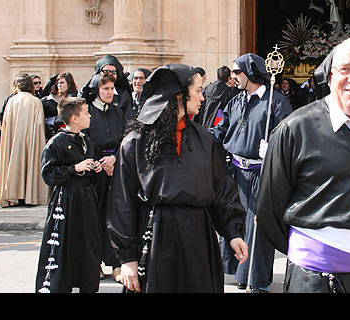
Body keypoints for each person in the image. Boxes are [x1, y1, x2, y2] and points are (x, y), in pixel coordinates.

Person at [257, 37, 350, 293]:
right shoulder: (294, 130)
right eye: (345, 69)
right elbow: (270, 210)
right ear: (330, 76)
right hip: (318, 280)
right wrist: (322, 253)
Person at [106, 64, 247, 293]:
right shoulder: (135, 142)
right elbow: (121, 203)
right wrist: (127, 258)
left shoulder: (204, 139)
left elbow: (222, 189)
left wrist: (233, 233)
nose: (203, 97)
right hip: (156, 237)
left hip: (199, 238)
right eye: (199, 90)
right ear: (180, 95)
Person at [209, 53, 293, 292]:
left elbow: (289, 134)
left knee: (257, 226)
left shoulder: (275, 102)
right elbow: (222, 130)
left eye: (237, 72)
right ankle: (240, 273)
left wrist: (273, 148)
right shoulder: (235, 101)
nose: (233, 76)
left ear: (252, 72)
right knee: (235, 223)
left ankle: (257, 280)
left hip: (261, 173)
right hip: (235, 172)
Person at [35, 97, 102, 293]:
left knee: (87, 242)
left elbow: (90, 160)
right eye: (86, 113)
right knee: (63, 243)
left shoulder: (84, 139)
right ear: (74, 118)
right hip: (66, 199)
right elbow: (48, 174)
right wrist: (74, 169)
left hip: (86, 198)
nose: (90, 116)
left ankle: (86, 284)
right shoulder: (57, 142)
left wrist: (94, 166)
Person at [80, 72, 126, 281]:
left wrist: (114, 159)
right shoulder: (87, 112)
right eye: (105, 89)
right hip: (94, 171)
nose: (109, 92)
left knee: (115, 216)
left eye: (111, 89)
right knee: (94, 217)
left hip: (115, 169)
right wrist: (101, 162)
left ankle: (116, 262)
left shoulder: (118, 112)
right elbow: (85, 140)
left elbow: (126, 138)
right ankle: (95, 262)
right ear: (97, 90)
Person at [0, 73, 49, 207]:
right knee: (30, 160)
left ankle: (13, 194)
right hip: (30, 140)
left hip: (13, 141)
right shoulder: (35, 101)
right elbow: (39, 125)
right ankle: (30, 195)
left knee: (13, 161)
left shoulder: (11, 101)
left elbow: (5, 123)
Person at [41, 72, 78, 141]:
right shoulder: (65, 96)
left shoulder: (72, 97)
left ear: (69, 84)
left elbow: (62, 117)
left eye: (62, 83)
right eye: (58, 83)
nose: (59, 85)